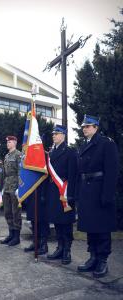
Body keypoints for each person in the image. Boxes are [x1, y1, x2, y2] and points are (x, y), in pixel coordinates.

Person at [77, 115, 119, 278]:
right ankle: (93, 257)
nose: (84, 129)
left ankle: (102, 260)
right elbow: (80, 172)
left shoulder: (106, 143)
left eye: (88, 126)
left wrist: (107, 195)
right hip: (87, 191)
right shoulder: (83, 146)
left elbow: (112, 171)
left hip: (100, 191)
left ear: (96, 127)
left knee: (101, 228)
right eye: (83, 127)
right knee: (90, 227)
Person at [46, 125, 78, 265]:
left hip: (65, 191)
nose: (54, 136)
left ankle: (67, 250)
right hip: (53, 191)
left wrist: (71, 194)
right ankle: (59, 247)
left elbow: (73, 175)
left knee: (66, 222)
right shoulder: (51, 153)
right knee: (57, 221)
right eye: (53, 134)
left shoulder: (70, 152)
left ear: (63, 135)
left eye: (57, 133)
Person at [0, 136, 22, 246]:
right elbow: (4, 173)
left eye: (10, 142)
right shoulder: (7, 156)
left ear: (15, 142)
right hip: (7, 185)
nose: (8, 143)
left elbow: (20, 172)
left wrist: (19, 187)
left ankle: (17, 236)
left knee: (15, 212)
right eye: (7, 142)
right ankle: (11, 233)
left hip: (14, 186)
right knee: (7, 211)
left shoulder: (19, 155)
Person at [24, 182, 49, 255]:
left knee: (42, 218)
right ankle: (35, 242)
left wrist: (44, 193)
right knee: (32, 217)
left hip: (41, 188)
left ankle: (43, 244)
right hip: (31, 188)